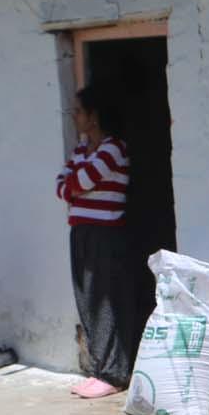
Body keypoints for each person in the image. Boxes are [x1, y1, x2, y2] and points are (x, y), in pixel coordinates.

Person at [56, 81, 139, 398]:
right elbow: (63, 186)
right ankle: (99, 367)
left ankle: (114, 373)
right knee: (86, 299)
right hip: (82, 232)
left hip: (106, 235)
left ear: (94, 116)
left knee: (106, 300)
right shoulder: (82, 150)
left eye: (79, 111)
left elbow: (80, 181)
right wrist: (74, 185)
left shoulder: (113, 148)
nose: (74, 117)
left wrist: (74, 185)